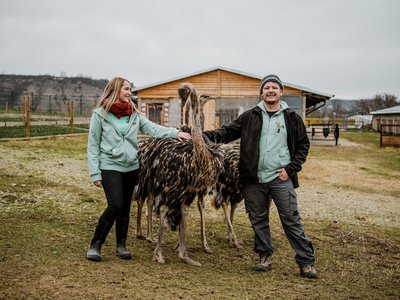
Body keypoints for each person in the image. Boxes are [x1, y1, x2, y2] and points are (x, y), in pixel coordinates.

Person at [204, 74, 318, 278]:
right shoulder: (250, 116)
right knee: (258, 219)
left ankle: (306, 262)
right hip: (254, 179)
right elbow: (227, 132)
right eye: (267, 88)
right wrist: (200, 135)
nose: (271, 90)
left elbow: (303, 146)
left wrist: (291, 169)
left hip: (281, 178)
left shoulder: (291, 118)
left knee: (291, 219)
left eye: (275, 87)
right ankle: (264, 256)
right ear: (262, 92)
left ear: (281, 91)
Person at [86, 77, 191, 262]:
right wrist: (95, 172)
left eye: (130, 89)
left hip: (131, 167)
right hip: (109, 165)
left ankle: (121, 245)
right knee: (115, 205)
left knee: (125, 207)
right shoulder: (100, 115)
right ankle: (96, 244)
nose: (129, 92)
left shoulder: (133, 114)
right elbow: (93, 145)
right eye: (126, 89)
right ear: (116, 90)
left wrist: (176, 133)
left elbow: (153, 129)